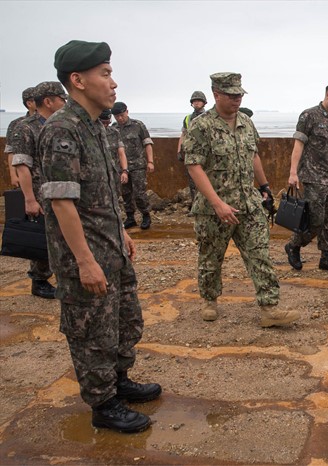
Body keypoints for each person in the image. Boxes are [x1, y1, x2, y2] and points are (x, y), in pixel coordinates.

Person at [39, 39, 161, 434]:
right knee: (92, 332)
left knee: (124, 322)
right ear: (78, 80)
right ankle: (103, 404)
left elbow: (103, 194)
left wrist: (121, 233)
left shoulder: (96, 128)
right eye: (105, 74)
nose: (113, 83)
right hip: (86, 257)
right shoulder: (62, 130)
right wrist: (85, 260)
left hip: (112, 249)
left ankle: (119, 381)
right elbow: (62, 203)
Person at [183, 72, 300, 327]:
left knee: (260, 254)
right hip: (214, 208)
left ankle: (270, 308)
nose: (237, 99)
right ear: (216, 94)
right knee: (211, 258)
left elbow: (253, 155)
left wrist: (264, 187)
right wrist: (217, 204)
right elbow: (193, 166)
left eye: (239, 95)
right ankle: (209, 300)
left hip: (248, 203)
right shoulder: (201, 126)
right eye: (231, 95)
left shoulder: (246, 122)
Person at [284, 79, 328, 273]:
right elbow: (298, 144)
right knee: (315, 220)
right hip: (313, 177)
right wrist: (293, 172)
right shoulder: (309, 115)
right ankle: (294, 245)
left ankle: (326, 258)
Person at [8, 81, 67, 299]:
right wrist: (30, 199)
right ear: (48, 102)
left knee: (63, 235)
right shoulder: (26, 128)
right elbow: (22, 165)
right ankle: (39, 280)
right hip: (39, 191)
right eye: (61, 99)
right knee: (43, 236)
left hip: (60, 189)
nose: (65, 103)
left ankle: (64, 275)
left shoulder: (59, 125)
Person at [111, 101, 154, 230]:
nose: (120, 118)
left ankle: (146, 215)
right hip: (121, 167)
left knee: (139, 193)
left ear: (127, 112)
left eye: (122, 115)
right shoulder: (113, 128)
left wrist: (150, 161)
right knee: (125, 193)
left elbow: (147, 144)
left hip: (137, 165)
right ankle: (130, 217)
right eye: (117, 116)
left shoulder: (138, 125)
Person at [177, 91, 207, 206]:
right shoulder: (188, 118)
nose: (196, 103)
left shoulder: (209, 116)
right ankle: (195, 205)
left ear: (204, 103)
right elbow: (183, 134)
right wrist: (179, 150)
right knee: (192, 182)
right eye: (194, 101)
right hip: (191, 153)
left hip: (205, 153)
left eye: (199, 101)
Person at [5, 87, 37, 188]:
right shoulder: (16, 124)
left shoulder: (50, 121)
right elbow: (11, 152)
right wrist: (13, 175)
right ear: (29, 103)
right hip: (26, 174)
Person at [99, 109, 129, 189]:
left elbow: (121, 153)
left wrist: (125, 171)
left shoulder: (114, 132)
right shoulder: (91, 134)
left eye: (108, 122)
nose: (105, 125)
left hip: (114, 173)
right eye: (103, 123)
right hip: (99, 175)